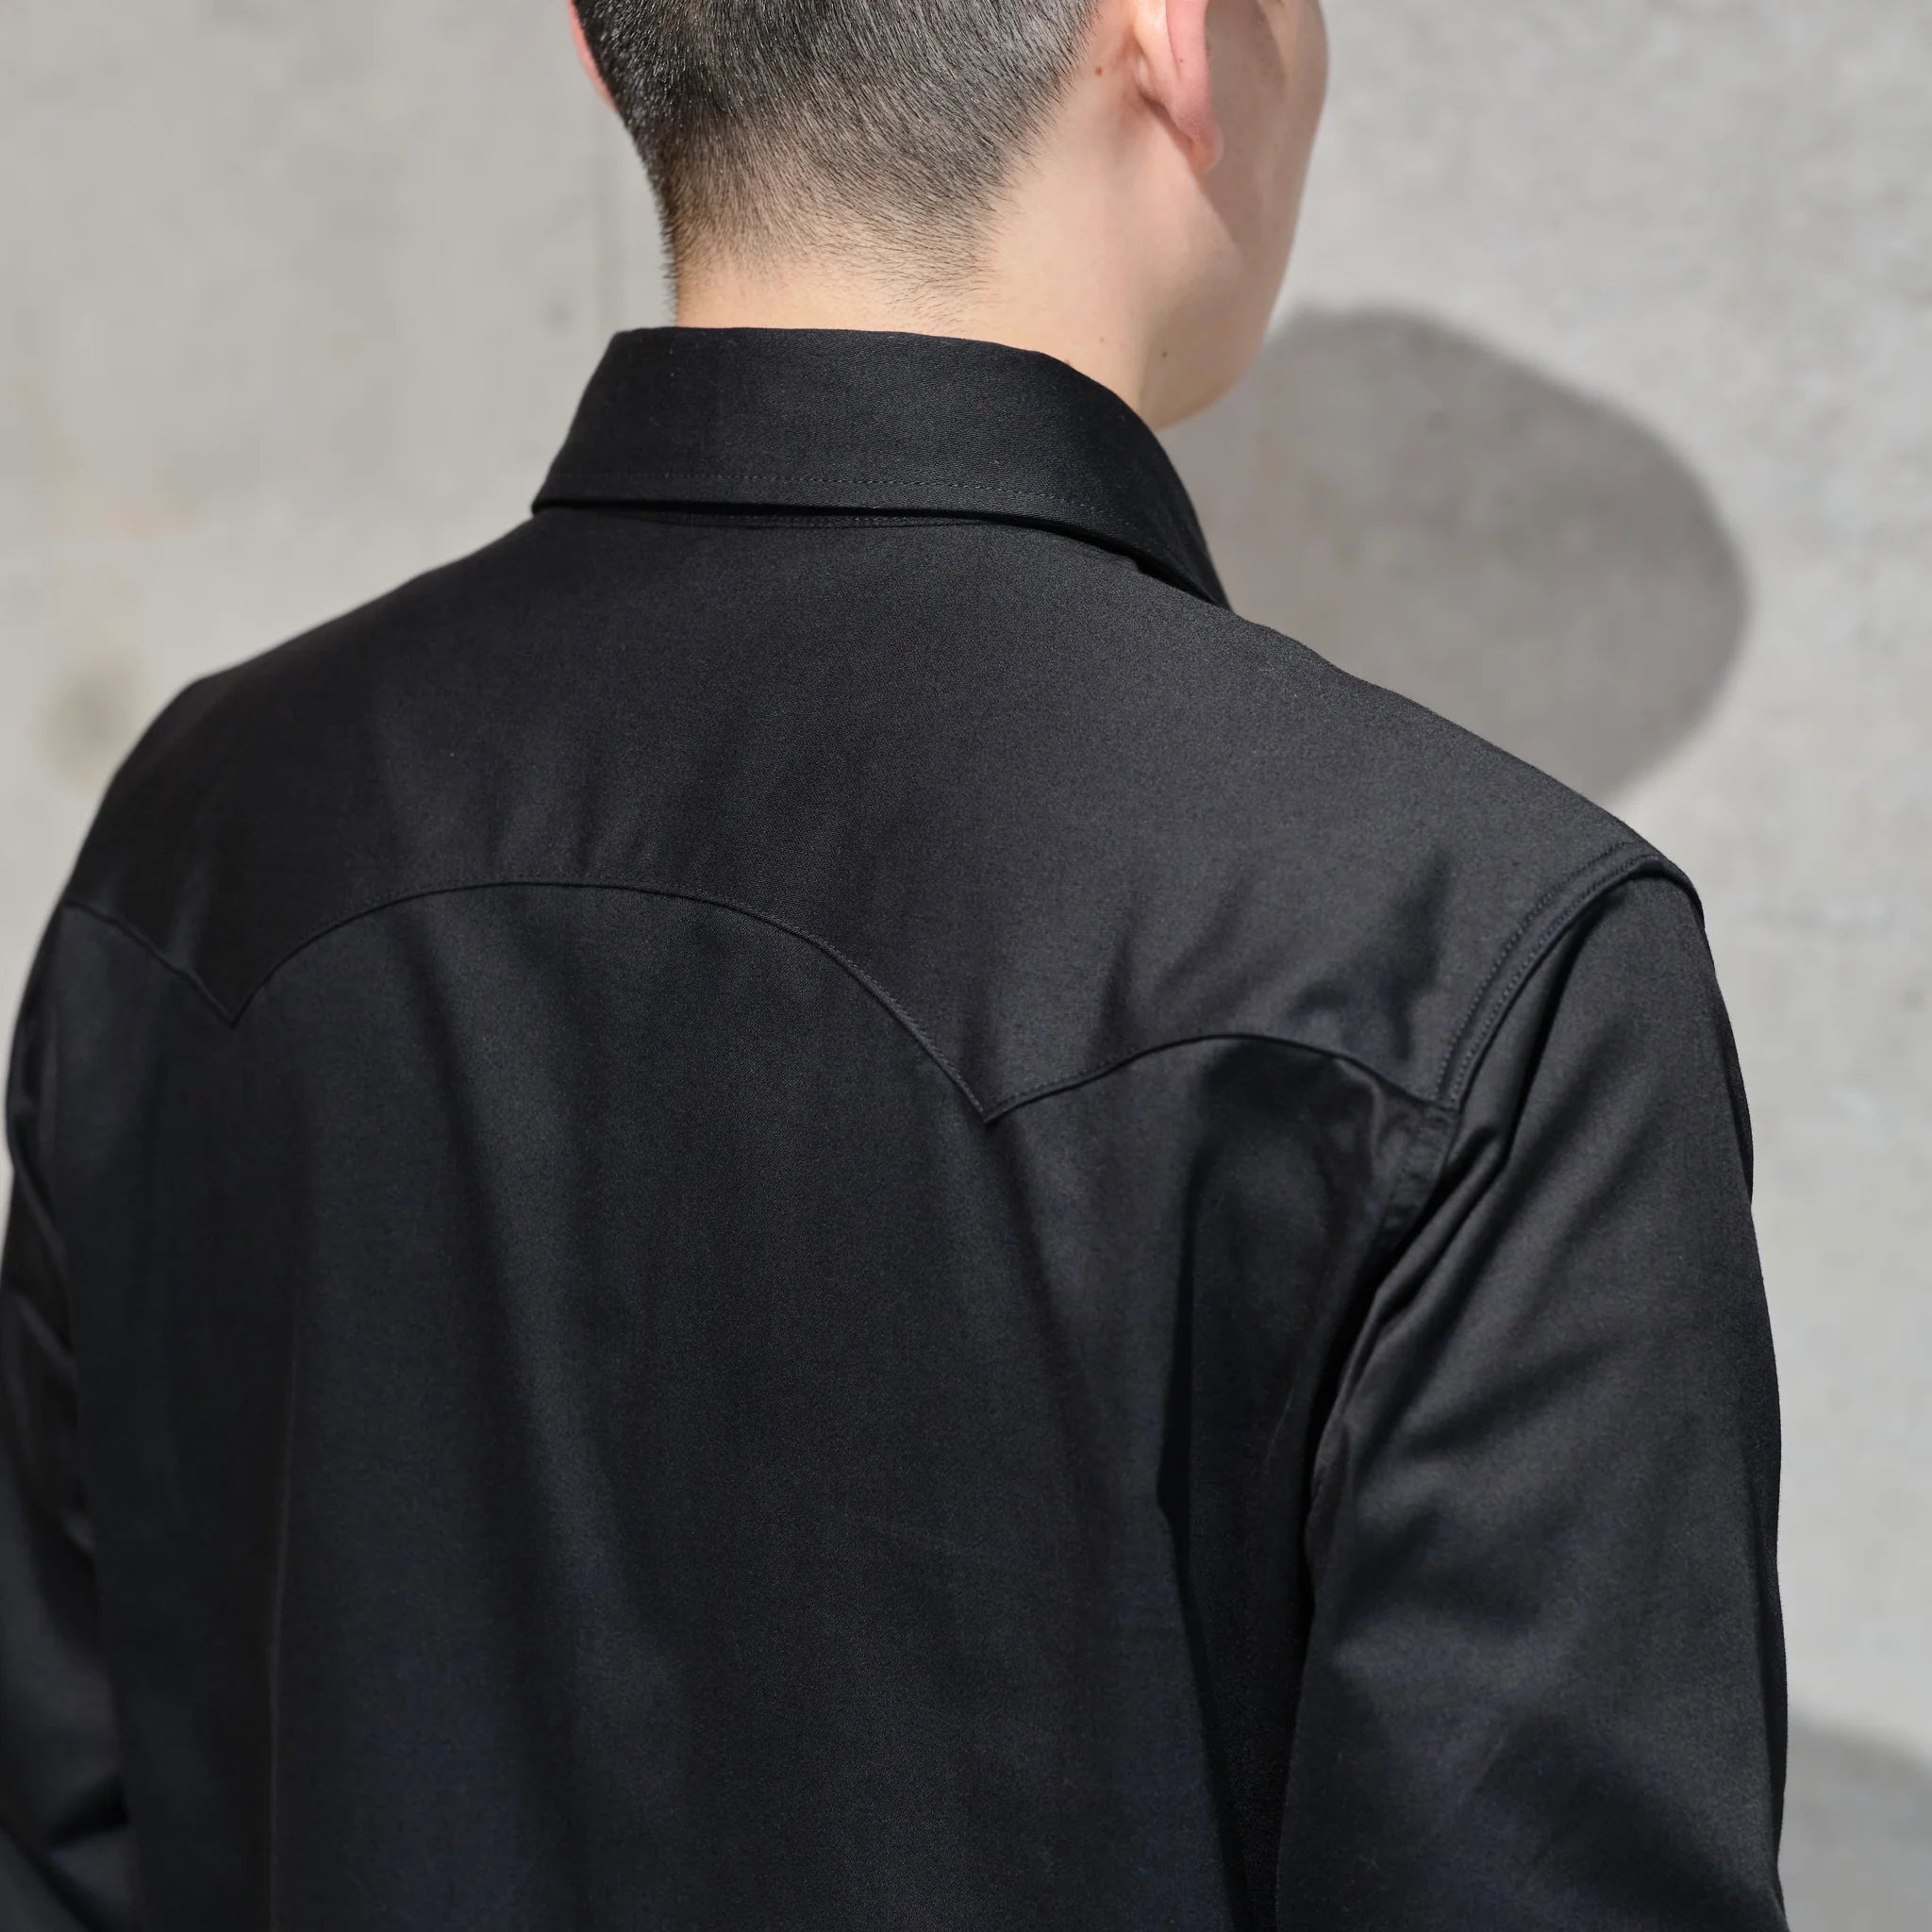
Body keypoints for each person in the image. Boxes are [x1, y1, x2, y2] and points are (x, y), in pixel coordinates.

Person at [0, 0, 1789, 1925]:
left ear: (599, 46)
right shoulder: (1471, 954)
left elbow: (69, 1836)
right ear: (1173, 37)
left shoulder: (202, 839)